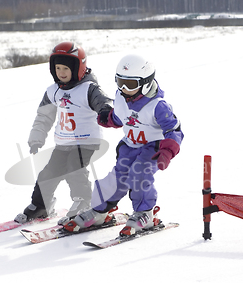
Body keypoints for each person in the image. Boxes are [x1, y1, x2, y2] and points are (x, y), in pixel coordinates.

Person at [62, 54, 184, 236]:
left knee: (139, 174)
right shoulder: (121, 97)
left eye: (131, 84)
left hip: (152, 147)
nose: (125, 88)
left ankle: (145, 214)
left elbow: (174, 130)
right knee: (117, 177)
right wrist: (108, 119)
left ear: (146, 82)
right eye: (120, 82)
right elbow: (122, 117)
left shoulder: (158, 106)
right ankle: (99, 211)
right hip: (129, 146)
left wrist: (167, 151)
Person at [14, 42, 113, 224]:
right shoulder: (53, 91)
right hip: (63, 142)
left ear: (78, 67)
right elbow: (44, 117)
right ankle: (41, 205)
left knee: (74, 169)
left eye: (66, 68)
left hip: (86, 140)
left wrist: (106, 111)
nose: (61, 72)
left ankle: (83, 202)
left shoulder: (89, 89)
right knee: (48, 173)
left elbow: (104, 102)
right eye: (57, 68)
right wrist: (36, 139)